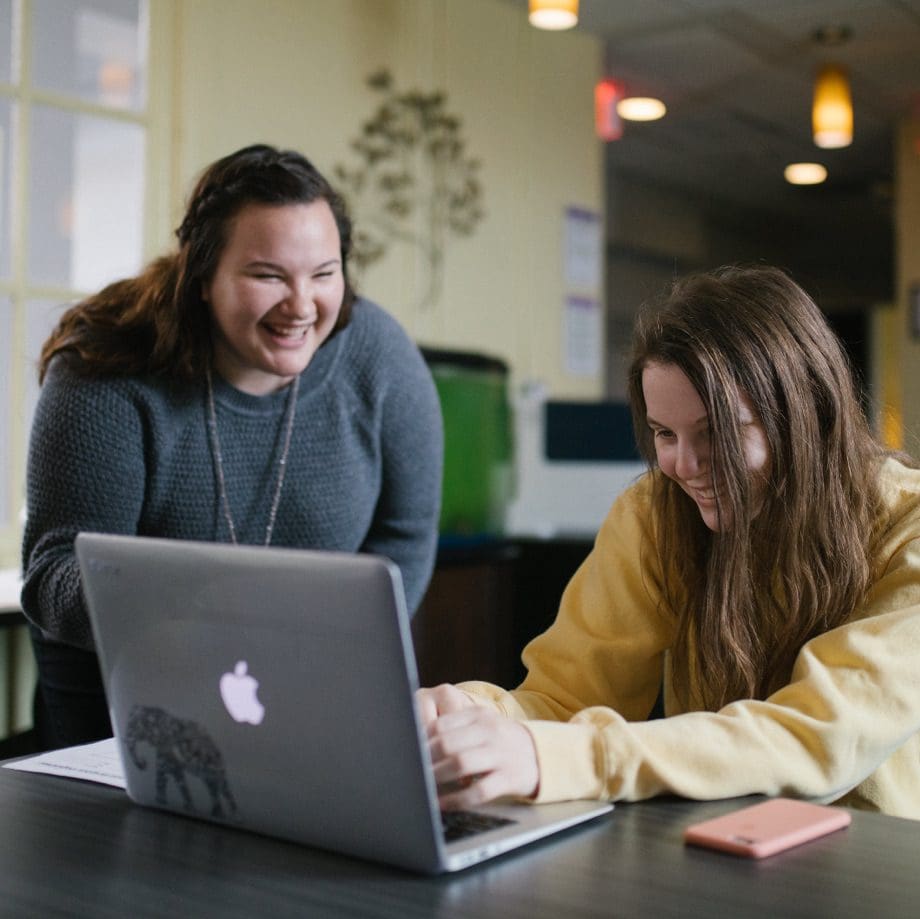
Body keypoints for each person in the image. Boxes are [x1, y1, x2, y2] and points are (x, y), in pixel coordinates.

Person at [420, 265, 920, 820]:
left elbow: (819, 737)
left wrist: (566, 756)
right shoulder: (655, 515)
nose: (683, 465)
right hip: (714, 848)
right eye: (664, 433)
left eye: (717, 433)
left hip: (874, 868)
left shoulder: (910, 527)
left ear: (809, 413)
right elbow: (566, 699)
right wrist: (469, 714)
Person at [22, 143, 443, 749]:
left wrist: (328, 651)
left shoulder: (379, 357)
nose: (302, 306)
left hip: (312, 684)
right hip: (124, 704)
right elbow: (53, 574)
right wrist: (206, 610)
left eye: (324, 273)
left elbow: (405, 539)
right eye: (268, 275)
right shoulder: (106, 367)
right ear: (201, 275)